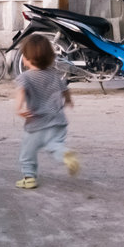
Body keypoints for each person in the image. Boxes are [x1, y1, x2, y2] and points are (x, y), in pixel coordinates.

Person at [12, 34, 79, 189]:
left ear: (27, 58)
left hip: (37, 123)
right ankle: (65, 154)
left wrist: (19, 108)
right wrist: (68, 101)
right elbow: (65, 90)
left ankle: (29, 177)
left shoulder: (25, 77)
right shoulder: (55, 76)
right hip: (57, 121)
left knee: (27, 152)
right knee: (55, 145)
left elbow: (21, 92)